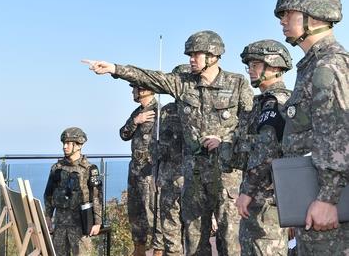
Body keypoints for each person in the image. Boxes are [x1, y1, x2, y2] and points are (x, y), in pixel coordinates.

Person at [83, 30, 253, 255]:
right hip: (194, 177)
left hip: (226, 176)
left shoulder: (237, 83)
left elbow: (250, 123)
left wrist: (226, 140)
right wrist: (114, 68)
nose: (191, 59)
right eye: (189, 55)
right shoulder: (183, 84)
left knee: (230, 241)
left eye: (196, 54)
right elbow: (149, 77)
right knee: (194, 242)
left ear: (213, 56)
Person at [274, 0, 349, 255]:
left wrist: (328, 199)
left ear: (314, 16)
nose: (282, 21)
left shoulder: (329, 65)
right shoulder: (311, 67)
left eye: (288, 14)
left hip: (328, 208)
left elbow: (340, 135)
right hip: (312, 202)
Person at [235, 40, 292, 255]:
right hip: (261, 202)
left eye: (255, 65)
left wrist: (247, 191)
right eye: (249, 66)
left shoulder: (276, 102)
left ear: (275, 67)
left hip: (266, 201)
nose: (250, 70)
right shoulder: (262, 103)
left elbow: (266, 152)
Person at [119, 84, 163, 256]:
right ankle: (139, 248)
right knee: (135, 211)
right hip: (135, 170)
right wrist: (136, 121)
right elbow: (123, 134)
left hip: (150, 170)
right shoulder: (137, 112)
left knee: (152, 210)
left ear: (144, 90)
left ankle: (159, 249)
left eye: (135, 88)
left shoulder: (160, 112)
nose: (132, 92)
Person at [44, 127, 103, 255]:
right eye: (63, 143)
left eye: (68, 143)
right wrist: (48, 216)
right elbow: (48, 194)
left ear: (78, 145)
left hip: (80, 225)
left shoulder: (89, 169)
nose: (64, 147)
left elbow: (97, 197)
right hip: (60, 224)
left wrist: (97, 222)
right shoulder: (56, 168)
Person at [152, 66, 187, 255]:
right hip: (168, 177)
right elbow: (155, 145)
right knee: (170, 230)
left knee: (194, 231)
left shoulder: (203, 110)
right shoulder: (166, 111)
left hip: (193, 177)